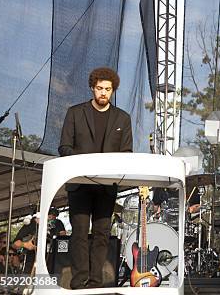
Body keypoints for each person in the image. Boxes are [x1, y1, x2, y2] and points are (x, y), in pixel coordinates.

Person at [59, 67, 133, 289]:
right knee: (79, 232)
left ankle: (95, 282)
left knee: (102, 234)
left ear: (113, 90)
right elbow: (64, 146)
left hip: (107, 186)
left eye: (108, 89)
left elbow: (127, 152)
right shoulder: (75, 112)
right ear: (92, 88)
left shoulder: (123, 118)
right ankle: (79, 281)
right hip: (79, 183)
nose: (103, 93)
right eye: (100, 88)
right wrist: (85, 162)